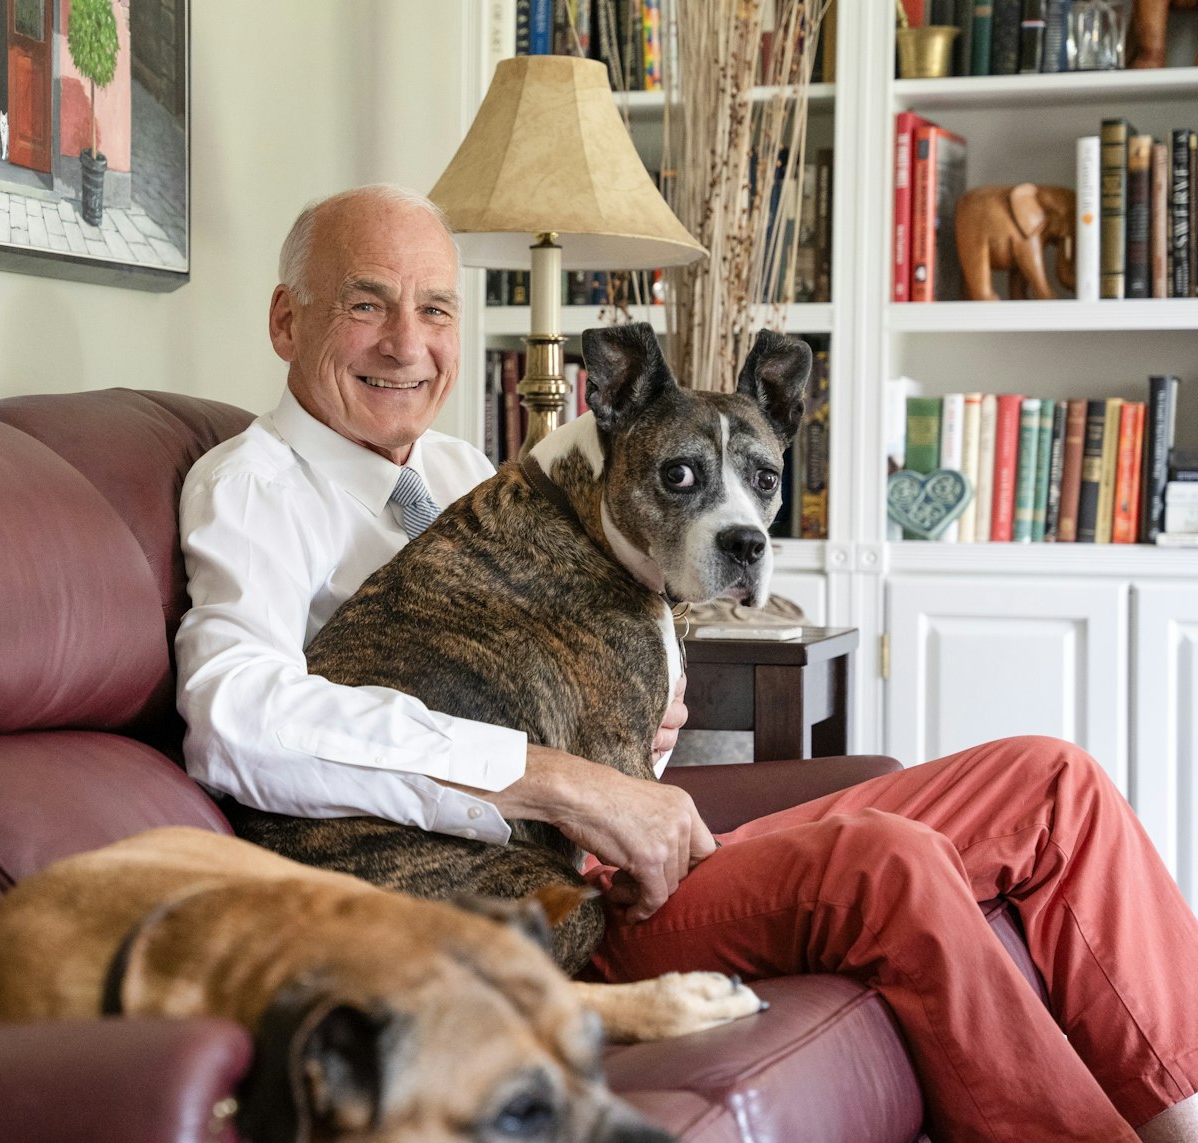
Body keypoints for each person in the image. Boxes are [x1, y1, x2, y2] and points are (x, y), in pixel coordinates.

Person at [173, 183, 1198, 1143]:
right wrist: (554, 776)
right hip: (533, 903)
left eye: (437, 311)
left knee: (1049, 780)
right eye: (367, 306)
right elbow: (235, 715)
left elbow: (542, 649)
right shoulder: (250, 486)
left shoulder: (458, 469)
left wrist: (635, 720)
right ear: (285, 323)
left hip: (618, 843)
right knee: (884, 860)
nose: (409, 344)